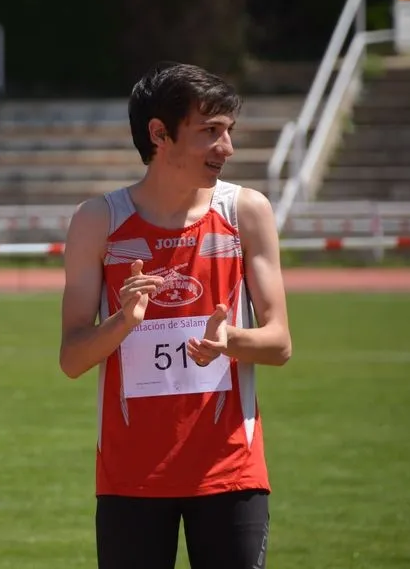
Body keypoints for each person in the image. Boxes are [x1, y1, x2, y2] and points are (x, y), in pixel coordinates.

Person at [58, 61, 292, 569]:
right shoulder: (98, 221)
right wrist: (123, 323)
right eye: (210, 132)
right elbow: (72, 359)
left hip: (230, 470)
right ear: (159, 134)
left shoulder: (245, 212)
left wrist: (228, 341)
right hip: (129, 477)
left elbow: (279, 343)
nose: (227, 148)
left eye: (228, 131)